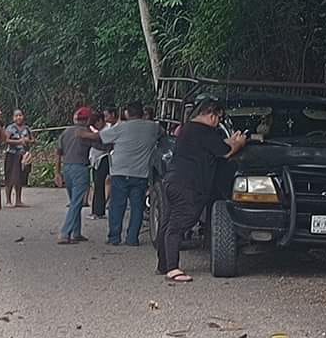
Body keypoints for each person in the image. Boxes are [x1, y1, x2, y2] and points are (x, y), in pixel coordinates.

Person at [158, 98, 247, 282]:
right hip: (188, 184)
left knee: (167, 223)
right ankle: (173, 269)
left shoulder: (188, 129)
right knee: (180, 223)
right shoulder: (205, 131)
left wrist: (228, 141)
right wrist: (239, 143)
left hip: (172, 179)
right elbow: (225, 152)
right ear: (212, 114)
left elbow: (215, 146)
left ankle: (164, 264)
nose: (218, 122)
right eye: (218, 118)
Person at [99, 101, 160, 246]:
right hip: (140, 173)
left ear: (127, 113)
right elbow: (162, 135)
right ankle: (132, 238)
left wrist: (83, 134)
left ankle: (114, 237)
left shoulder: (121, 127)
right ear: (142, 113)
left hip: (120, 171)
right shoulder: (153, 127)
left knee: (117, 206)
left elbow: (102, 137)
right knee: (137, 207)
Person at [55, 106, 98, 244]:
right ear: (88, 120)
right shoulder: (86, 132)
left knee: (75, 201)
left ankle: (76, 232)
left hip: (67, 168)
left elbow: (58, 152)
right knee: (76, 202)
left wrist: (57, 172)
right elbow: (101, 146)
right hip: (80, 168)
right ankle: (64, 233)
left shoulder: (66, 132)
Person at [3, 109, 33, 207]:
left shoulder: (27, 128)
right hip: (12, 155)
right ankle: (8, 201)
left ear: (23, 116)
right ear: (13, 118)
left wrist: (28, 141)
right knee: (10, 178)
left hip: (23, 156)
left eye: (20, 115)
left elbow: (33, 140)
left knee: (20, 178)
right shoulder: (10, 128)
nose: (18, 117)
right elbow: (6, 140)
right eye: (16, 116)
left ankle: (18, 200)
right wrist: (19, 141)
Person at [88, 110, 114, 220]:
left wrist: (94, 141)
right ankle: (97, 210)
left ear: (100, 120)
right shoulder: (99, 130)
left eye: (96, 124)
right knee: (96, 183)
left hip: (103, 158)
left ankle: (98, 211)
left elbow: (107, 146)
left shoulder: (108, 130)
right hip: (95, 159)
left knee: (99, 183)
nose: (96, 126)